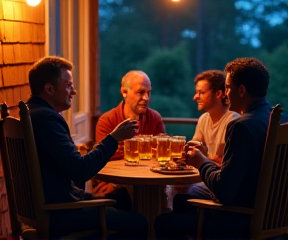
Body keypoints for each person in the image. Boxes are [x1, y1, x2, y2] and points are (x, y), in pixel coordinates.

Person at [27, 56, 148, 239]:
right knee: (139, 223)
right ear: (49, 89)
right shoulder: (47, 119)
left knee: (121, 202)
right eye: (68, 85)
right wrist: (114, 137)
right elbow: (81, 171)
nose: (73, 91)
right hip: (60, 213)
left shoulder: (31, 114)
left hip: (46, 206)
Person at [154, 57, 272, 240]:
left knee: (162, 222)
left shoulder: (242, 126)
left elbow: (224, 190)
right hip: (271, 217)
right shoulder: (275, 120)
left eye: (228, 87)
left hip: (240, 219)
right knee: (181, 201)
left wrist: (201, 161)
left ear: (241, 90)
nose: (225, 94)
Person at [90, 70, 165, 209]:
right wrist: (146, 149)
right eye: (140, 92)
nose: (146, 98)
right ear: (124, 92)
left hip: (149, 182)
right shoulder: (107, 120)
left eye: (149, 92)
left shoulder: (155, 118)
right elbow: (104, 158)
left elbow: (162, 154)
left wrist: (123, 148)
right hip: (116, 183)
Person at [172, 70, 240, 210]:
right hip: (209, 176)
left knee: (187, 192)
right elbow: (195, 153)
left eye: (201, 92)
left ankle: (190, 227)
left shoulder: (233, 121)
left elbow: (227, 168)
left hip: (220, 184)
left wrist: (204, 158)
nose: (195, 97)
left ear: (219, 94)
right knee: (174, 187)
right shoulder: (204, 119)